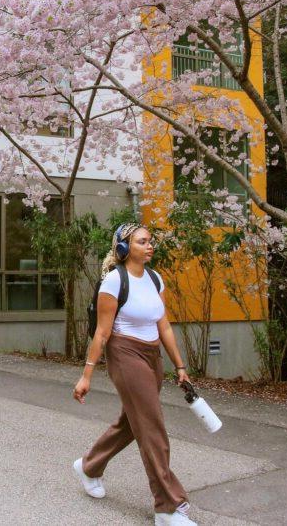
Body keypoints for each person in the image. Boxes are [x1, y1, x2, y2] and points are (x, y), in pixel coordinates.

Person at [72, 223, 196, 526]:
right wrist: (86, 375)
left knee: (133, 421)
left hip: (151, 356)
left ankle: (89, 466)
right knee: (152, 426)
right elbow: (102, 333)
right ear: (125, 248)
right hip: (125, 355)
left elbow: (163, 324)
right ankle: (167, 507)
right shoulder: (114, 282)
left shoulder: (155, 278)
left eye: (150, 241)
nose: (150, 246)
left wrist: (180, 366)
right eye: (142, 242)